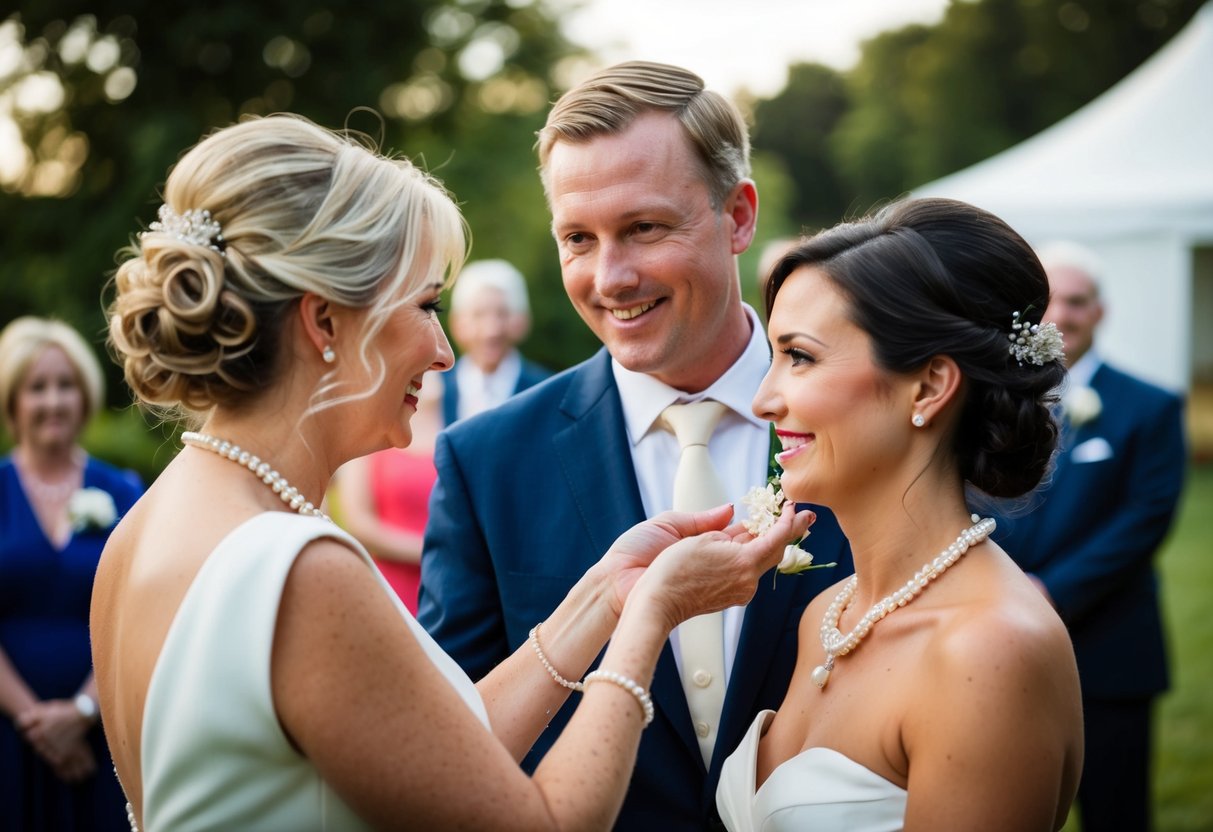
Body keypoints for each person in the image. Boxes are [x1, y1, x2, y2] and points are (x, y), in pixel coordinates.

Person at [90, 113, 811, 831]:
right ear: (325, 323)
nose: (443, 352)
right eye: (425, 305)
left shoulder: (143, 530)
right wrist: (650, 617)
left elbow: (441, 762)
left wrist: (604, 597)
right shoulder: (301, 569)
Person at [418, 61, 852, 830]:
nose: (610, 277)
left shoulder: (860, 417)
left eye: (644, 228)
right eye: (577, 239)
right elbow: (451, 747)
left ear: (738, 216)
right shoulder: (487, 461)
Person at [716, 197, 1085, 831]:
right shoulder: (826, 616)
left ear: (929, 386)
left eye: (799, 356)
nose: (762, 400)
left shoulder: (987, 653)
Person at [993, 241, 1186, 832]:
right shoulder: (993, 403)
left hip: (1108, 646)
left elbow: (1145, 518)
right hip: (997, 645)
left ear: (1099, 311)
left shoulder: (1150, 406)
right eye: (1048, 302)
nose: (1062, 317)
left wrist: (1050, 589)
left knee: (1116, 811)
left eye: (1076, 302)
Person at [0, 316, 142, 831]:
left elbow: (139, 616)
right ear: (13, 401)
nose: (54, 401)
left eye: (66, 386)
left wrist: (81, 712)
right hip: (9, 736)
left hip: (101, 737)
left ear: (84, 396)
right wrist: (37, 723)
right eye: (37, 388)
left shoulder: (124, 492)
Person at [332, 374, 445, 613]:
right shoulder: (368, 436)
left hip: (450, 585)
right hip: (393, 586)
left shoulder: (458, 423)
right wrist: (434, 550)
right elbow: (358, 522)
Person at [442, 258, 551, 425]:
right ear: (457, 324)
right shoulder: (433, 391)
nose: (491, 330)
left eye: (503, 313)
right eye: (479, 315)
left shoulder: (546, 390)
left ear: (522, 321)